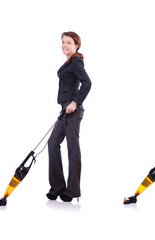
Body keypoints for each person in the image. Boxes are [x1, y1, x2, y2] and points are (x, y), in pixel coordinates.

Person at [46, 31, 92, 202]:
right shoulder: (69, 62)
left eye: (68, 42)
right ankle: (57, 187)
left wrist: (75, 102)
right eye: (63, 42)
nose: (64, 45)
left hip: (73, 109)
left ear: (76, 45)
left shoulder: (76, 61)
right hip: (65, 109)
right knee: (52, 143)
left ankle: (72, 190)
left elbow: (87, 83)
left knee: (72, 147)